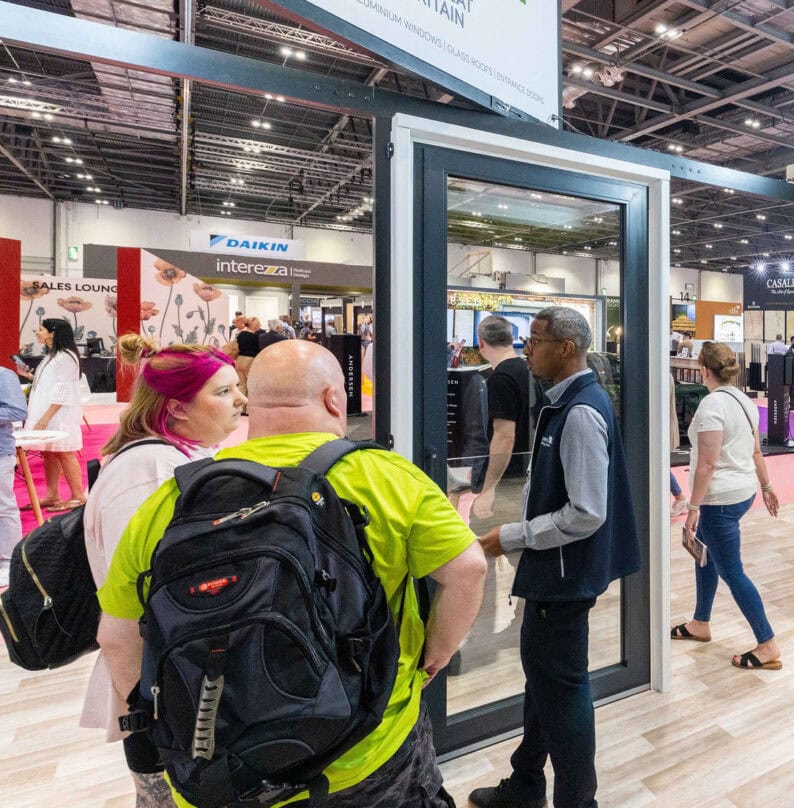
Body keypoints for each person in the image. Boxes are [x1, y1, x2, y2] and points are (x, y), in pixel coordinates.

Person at [96, 340, 489, 806]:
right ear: (333, 400)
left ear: (251, 403)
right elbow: (468, 569)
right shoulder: (385, 476)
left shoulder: (176, 497)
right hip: (366, 750)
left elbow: (116, 636)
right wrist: (436, 653)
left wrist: (167, 718)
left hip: (221, 768)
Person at [470, 307, 641, 808]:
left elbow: (586, 513)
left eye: (537, 340)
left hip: (565, 578)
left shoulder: (582, 411)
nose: (528, 349)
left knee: (563, 692)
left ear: (566, 348)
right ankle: (525, 783)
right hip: (558, 574)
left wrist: (513, 536)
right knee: (545, 682)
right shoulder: (566, 403)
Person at [81, 335, 245, 806]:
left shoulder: (175, 460)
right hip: (167, 700)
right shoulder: (152, 473)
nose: (241, 400)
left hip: (184, 690)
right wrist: (151, 710)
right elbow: (127, 617)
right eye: (223, 392)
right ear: (175, 409)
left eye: (237, 387)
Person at [669, 342, 783, 669]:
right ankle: (700, 623)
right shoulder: (744, 400)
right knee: (704, 557)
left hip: (720, 499)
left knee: (732, 572)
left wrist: (692, 507)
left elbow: (706, 464)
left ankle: (767, 643)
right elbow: (755, 452)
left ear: (704, 368)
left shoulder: (711, 406)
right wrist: (767, 487)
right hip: (742, 491)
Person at [471, 315, 534, 534]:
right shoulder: (529, 371)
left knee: (482, 539)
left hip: (508, 480)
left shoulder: (501, 378)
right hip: (526, 473)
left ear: (481, 343)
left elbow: (504, 436)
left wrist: (489, 488)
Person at [16, 318, 87, 510]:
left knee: (64, 452)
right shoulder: (53, 355)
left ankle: (78, 496)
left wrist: (45, 417)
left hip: (57, 414)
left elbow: (63, 390)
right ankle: (52, 495)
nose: (37, 333)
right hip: (48, 411)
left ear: (52, 333)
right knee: (48, 452)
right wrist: (29, 376)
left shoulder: (65, 357)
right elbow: (50, 383)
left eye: (41, 329)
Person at [0, 363, 26, 587]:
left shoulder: (4, 376)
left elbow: (18, 410)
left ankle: (9, 561)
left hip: (0, 451)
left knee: (3, 505)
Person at [233, 316, 264, 395]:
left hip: (239, 360)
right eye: (258, 323)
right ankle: (250, 406)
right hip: (250, 361)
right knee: (251, 385)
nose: (260, 325)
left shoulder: (240, 334)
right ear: (255, 325)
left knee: (241, 385)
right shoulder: (256, 337)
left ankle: (240, 405)